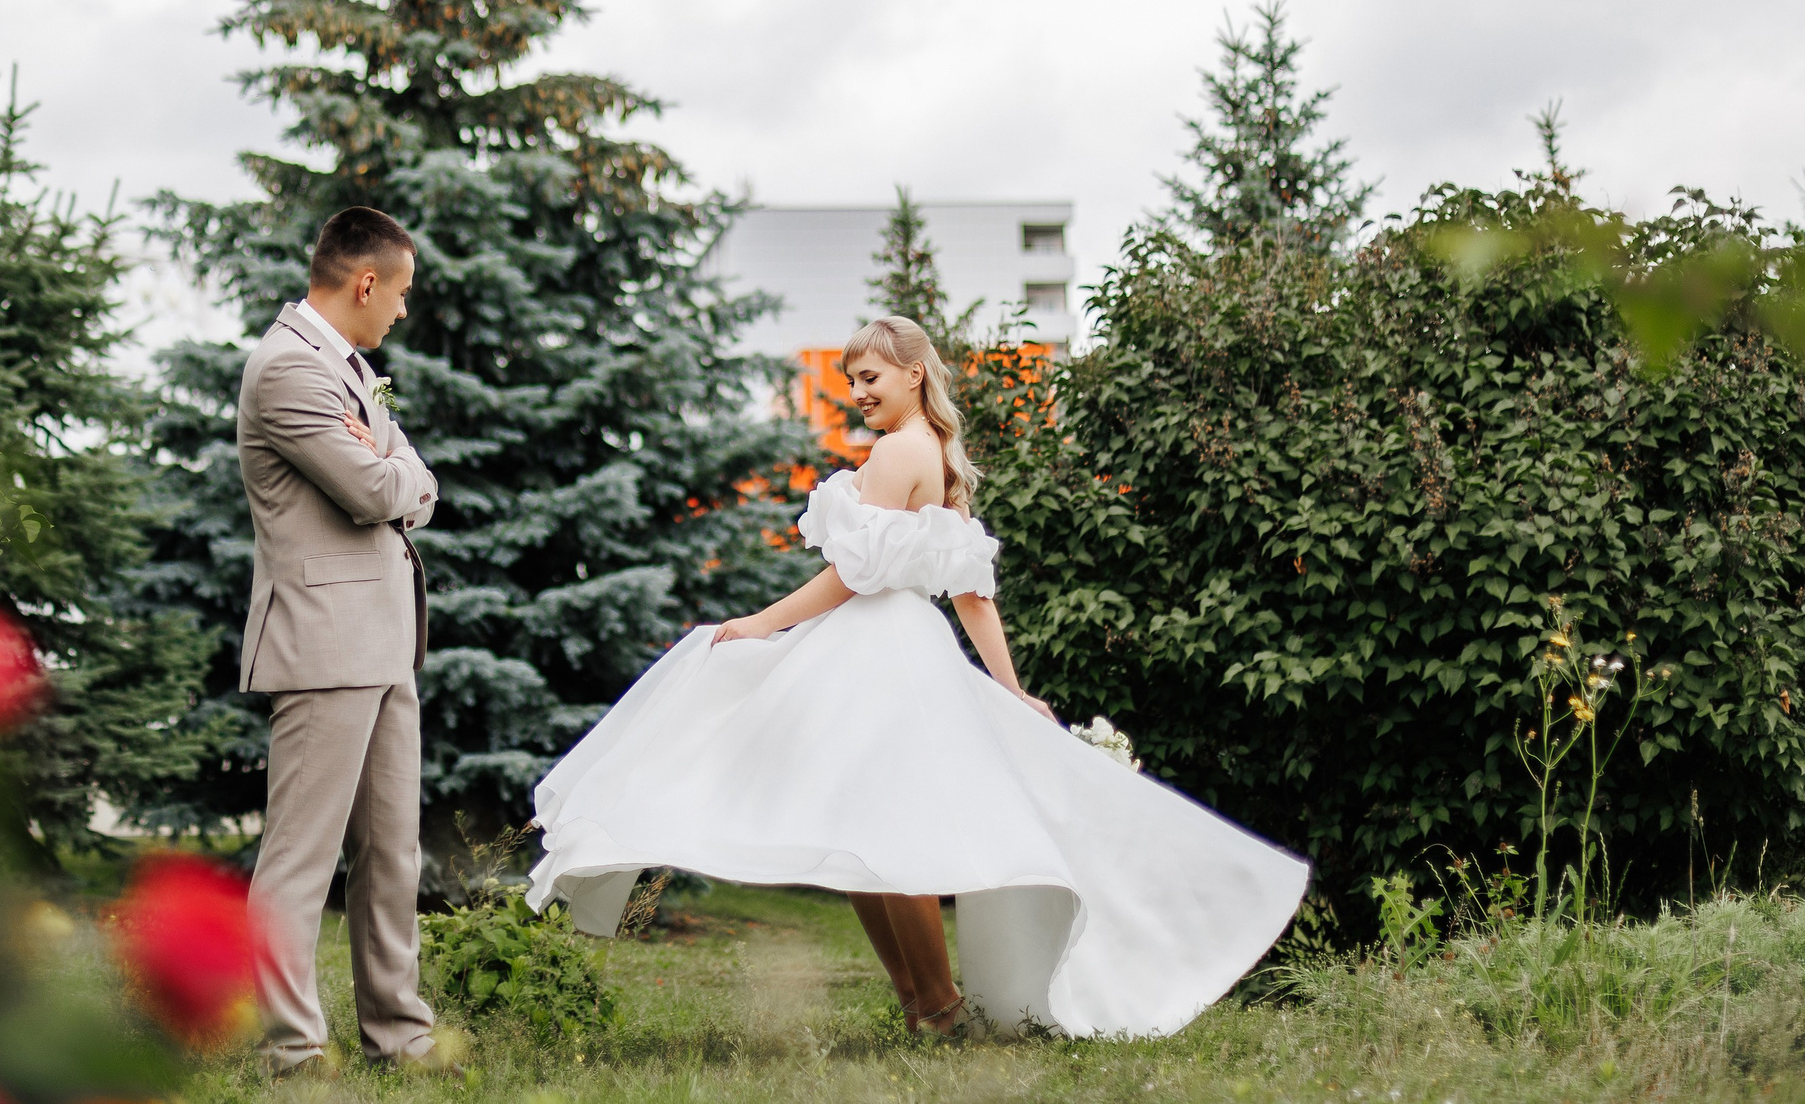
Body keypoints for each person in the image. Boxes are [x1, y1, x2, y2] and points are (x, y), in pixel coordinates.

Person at [525, 316, 1310, 1038]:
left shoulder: (898, 452)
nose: (859, 393)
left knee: (881, 829)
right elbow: (972, 593)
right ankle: (924, 1006)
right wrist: (1007, 686)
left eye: (871, 376)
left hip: (877, 648)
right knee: (861, 828)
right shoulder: (935, 452)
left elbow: (853, 577)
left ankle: (935, 1004)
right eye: (851, 380)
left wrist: (765, 622)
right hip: (901, 643)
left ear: (912, 371)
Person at [237, 206, 447, 1073]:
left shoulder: (348, 366)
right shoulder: (288, 367)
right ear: (365, 282)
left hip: (385, 642)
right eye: (398, 292)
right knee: (300, 857)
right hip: (325, 644)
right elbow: (376, 489)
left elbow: (412, 481)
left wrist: (403, 474)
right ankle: (294, 1048)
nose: (401, 310)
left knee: (392, 853)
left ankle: (400, 1037)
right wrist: (403, 474)